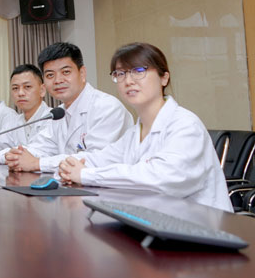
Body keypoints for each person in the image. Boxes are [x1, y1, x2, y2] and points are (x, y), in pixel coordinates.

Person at [59, 43, 232, 212]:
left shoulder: (185, 125)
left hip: (200, 224)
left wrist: (86, 175)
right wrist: (68, 166)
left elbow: (160, 178)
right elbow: (101, 158)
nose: (128, 81)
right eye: (120, 73)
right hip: (154, 219)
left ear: (164, 78)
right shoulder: (135, 133)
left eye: (139, 71)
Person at [5, 42, 132, 173]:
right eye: (50, 75)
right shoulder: (59, 113)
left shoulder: (107, 107)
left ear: (82, 73)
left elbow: (96, 160)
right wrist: (14, 157)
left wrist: (37, 163)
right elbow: (40, 147)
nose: (58, 80)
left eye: (66, 72)